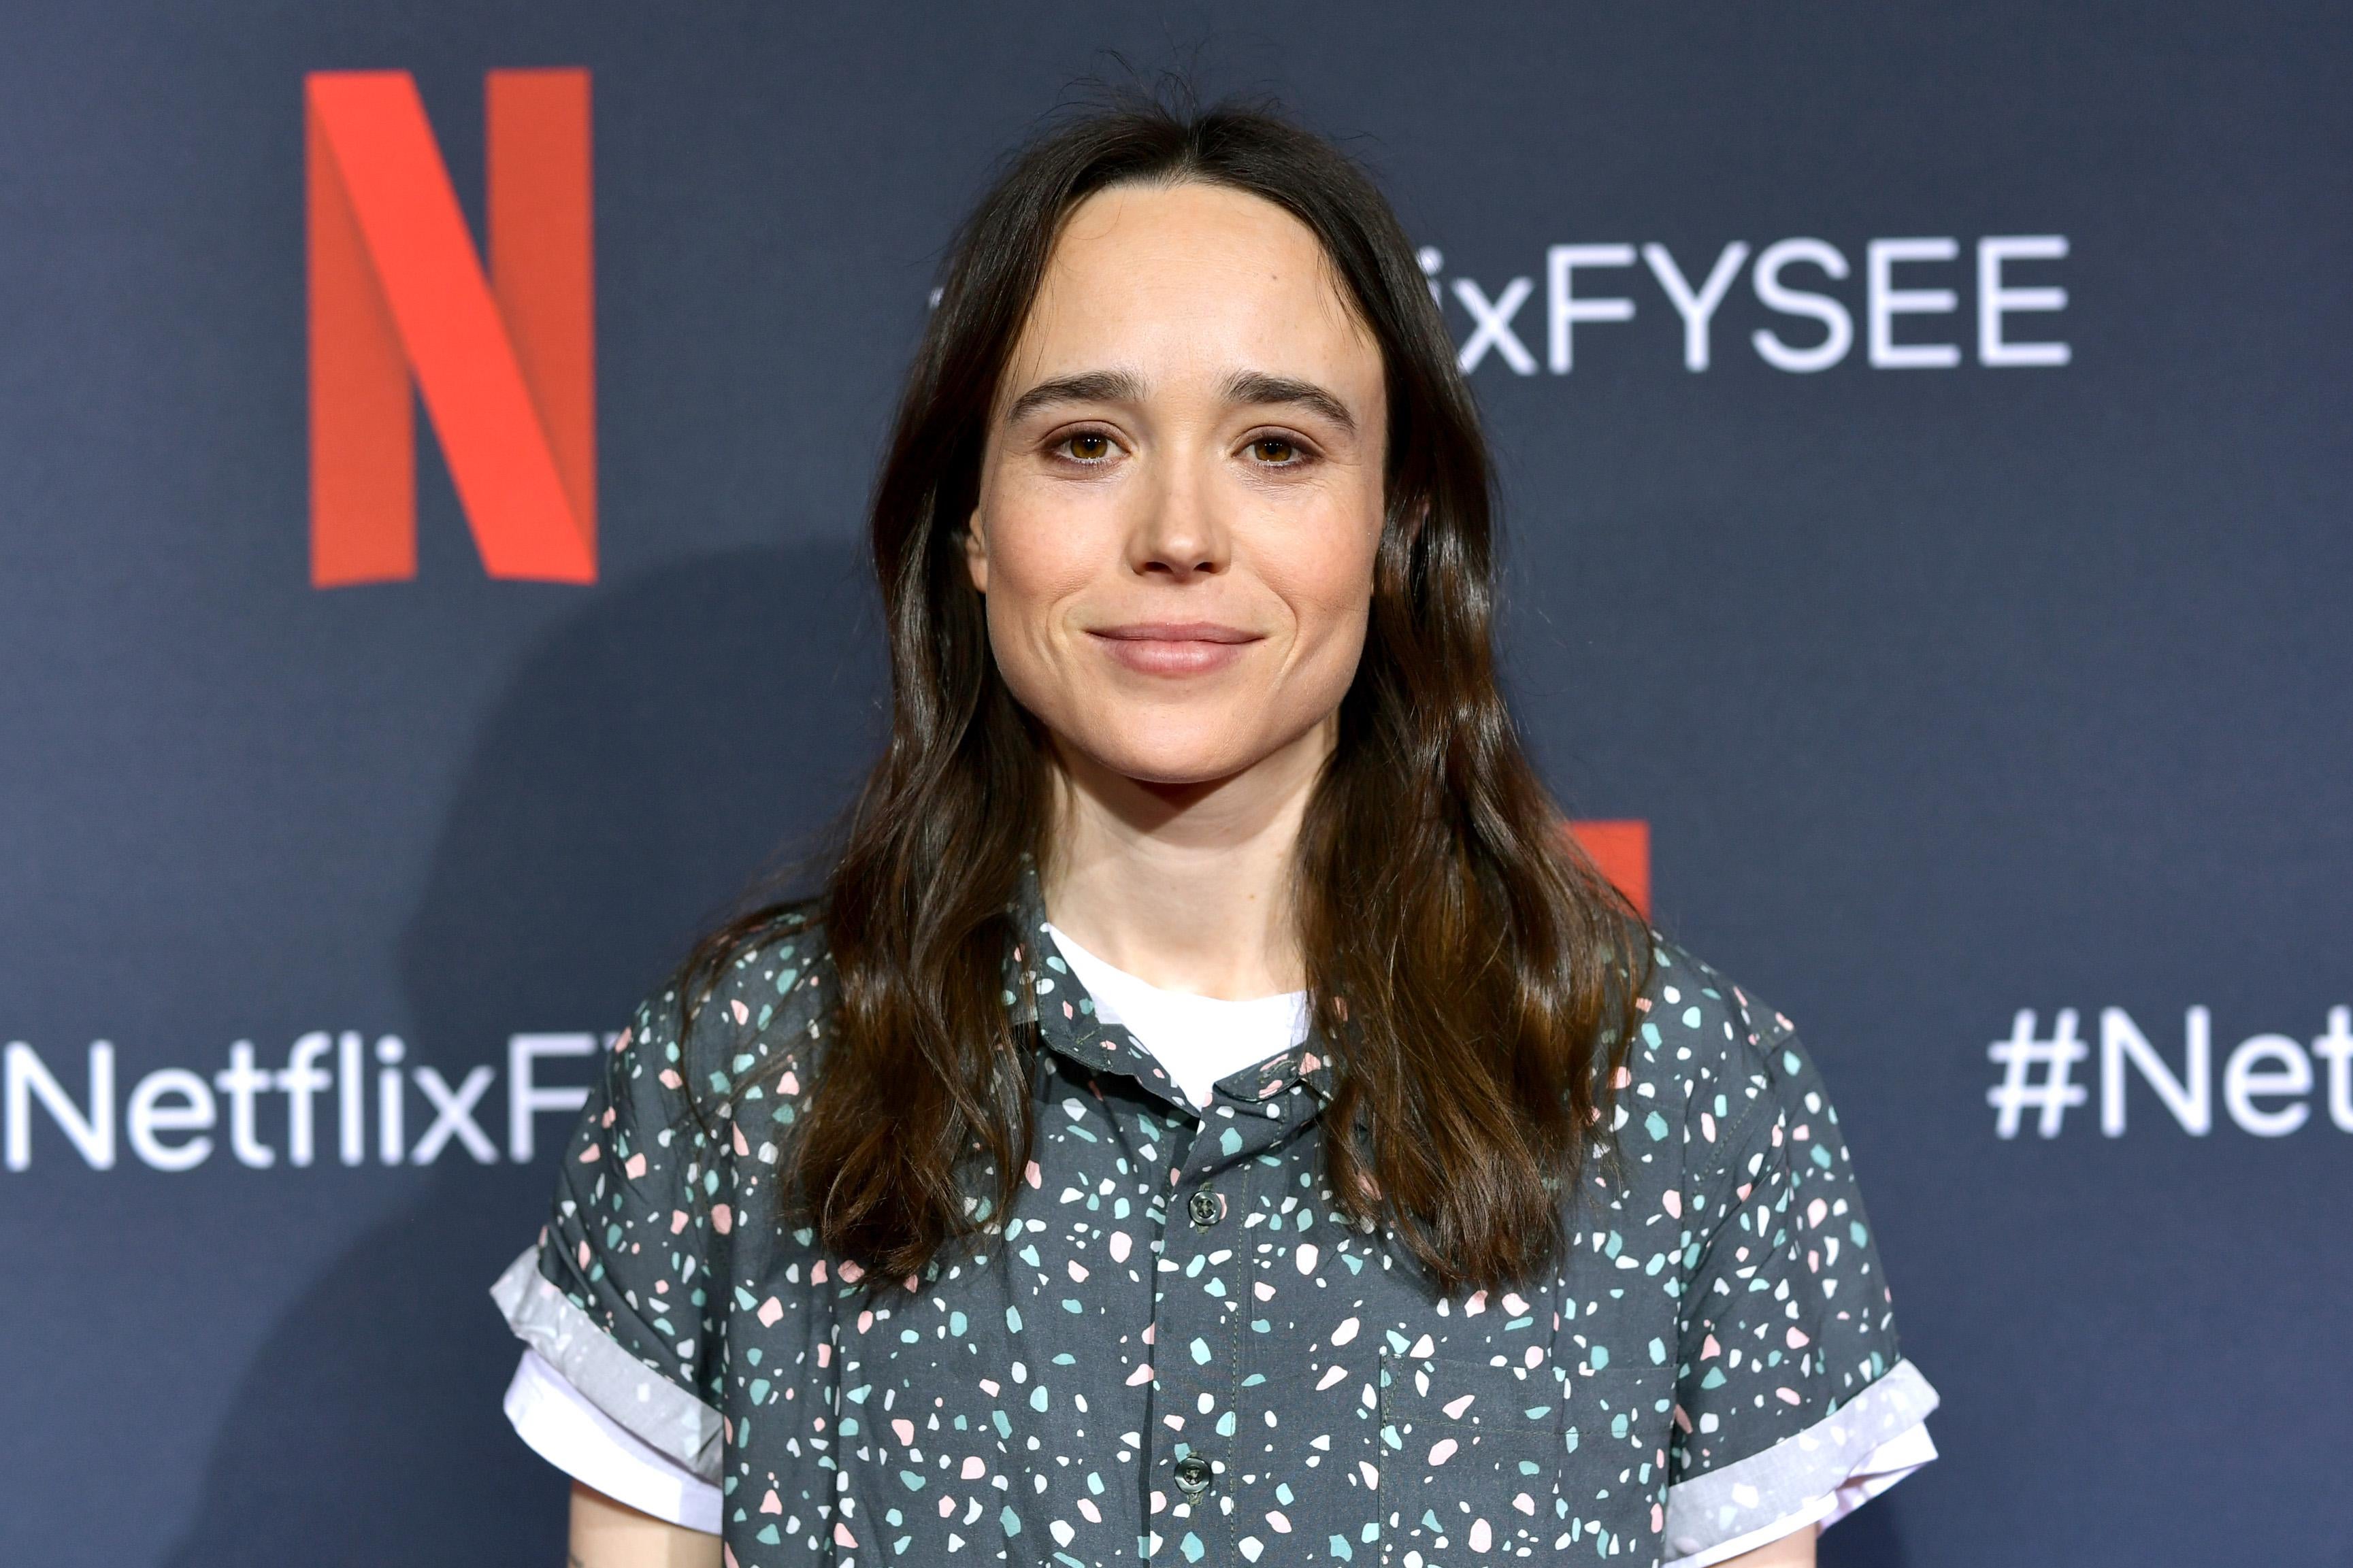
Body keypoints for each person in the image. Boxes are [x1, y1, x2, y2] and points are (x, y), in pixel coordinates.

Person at [491, 94, 1938, 1568]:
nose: (1178, 532)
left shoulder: (1673, 1093)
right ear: (972, 524)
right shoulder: (747, 1070)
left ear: (1394, 525)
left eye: (1277, 447)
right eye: (1084, 441)